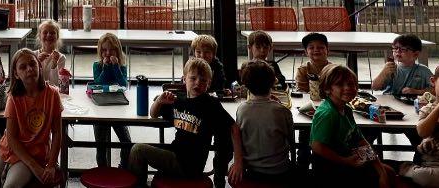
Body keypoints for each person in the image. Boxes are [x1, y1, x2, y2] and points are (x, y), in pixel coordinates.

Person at [127, 58, 243, 187]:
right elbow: (153, 114)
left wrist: (238, 162)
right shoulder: (179, 100)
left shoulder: (211, 104)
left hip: (189, 165)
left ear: (208, 83)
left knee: (138, 150)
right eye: (193, 78)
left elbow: (234, 128)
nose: (197, 83)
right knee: (136, 149)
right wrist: (159, 101)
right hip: (175, 154)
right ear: (184, 79)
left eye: (203, 80)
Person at [0, 49, 64, 188]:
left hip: (34, 153)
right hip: (9, 149)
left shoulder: (52, 94)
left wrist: (51, 165)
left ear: (39, 66)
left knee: (10, 186)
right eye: (23, 67)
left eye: (32, 64)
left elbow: (57, 133)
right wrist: (34, 168)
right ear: (16, 74)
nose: (29, 69)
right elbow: (11, 138)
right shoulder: (14, 97)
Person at [309, 64, 395, 187]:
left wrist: (380, 170)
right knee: (383, 177)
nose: (348, 88)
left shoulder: (347, 109)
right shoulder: (328, 114)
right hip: (331, 168)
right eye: (340, 84)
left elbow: (360, 141)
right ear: (327, 89)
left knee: (388, 173)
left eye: (351, 84)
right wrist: (345, 161)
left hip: (348, 159)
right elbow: (317, 146)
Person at [233, 61, 297, 186]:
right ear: (273, 82)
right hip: (279, 171)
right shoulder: (282, 111)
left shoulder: (242, 110)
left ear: (246, 85)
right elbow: (291, 141)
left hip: (251, 171)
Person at [92, 32, 131, 167]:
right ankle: (103, 171)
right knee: (100, 145)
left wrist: (115, 67)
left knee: (126, 142)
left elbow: (123, 84)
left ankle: (123, 167)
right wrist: (106, 67)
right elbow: (99, 83)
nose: (108, 53)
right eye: (104, 50)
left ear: (117, 50)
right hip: (101, 107)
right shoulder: (97, 65)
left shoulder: (121, 66)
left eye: (111, 50)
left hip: (117, 107)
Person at [294, 32, 333, 99]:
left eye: (321, 47)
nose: (316, 50)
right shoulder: (303, 69)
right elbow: (301, 91)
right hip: (309, 102)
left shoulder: (334, 70)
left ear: (328, 51)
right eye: (311, 48)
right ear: (306, 52)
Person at [34, 20, 66, 87]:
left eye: (52, 33)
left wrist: (54, 64)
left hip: (52, 91)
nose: (48, 35)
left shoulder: (61, 58)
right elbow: (32, 81)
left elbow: (56, 84)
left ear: (57, 37)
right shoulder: (34, 55)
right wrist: (37, 63)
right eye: (45, 32)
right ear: (40, 36)